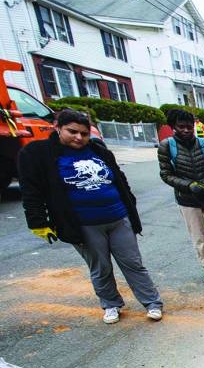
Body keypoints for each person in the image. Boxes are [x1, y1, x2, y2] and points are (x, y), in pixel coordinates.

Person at [19, 109, 163, 324]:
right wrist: (38, 222)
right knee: (101, 267)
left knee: (133, 263)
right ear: (57, 128)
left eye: (84, 133)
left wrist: (130, 207)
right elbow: (31, 192)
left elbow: (120, 180)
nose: (79, 137)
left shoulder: (99, 151)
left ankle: (152, 302)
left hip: (117, 218)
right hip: (84, 224)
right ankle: (111, 304)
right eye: (72, 132)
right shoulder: (39, 154)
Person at [157, 108, 204, 286]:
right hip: (188, 200)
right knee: (198, 238)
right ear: (173, 127)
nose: (186, 130)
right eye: (181, 127)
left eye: (189, 127)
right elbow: (166, 174)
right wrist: (189, 186)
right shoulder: (167, 147)